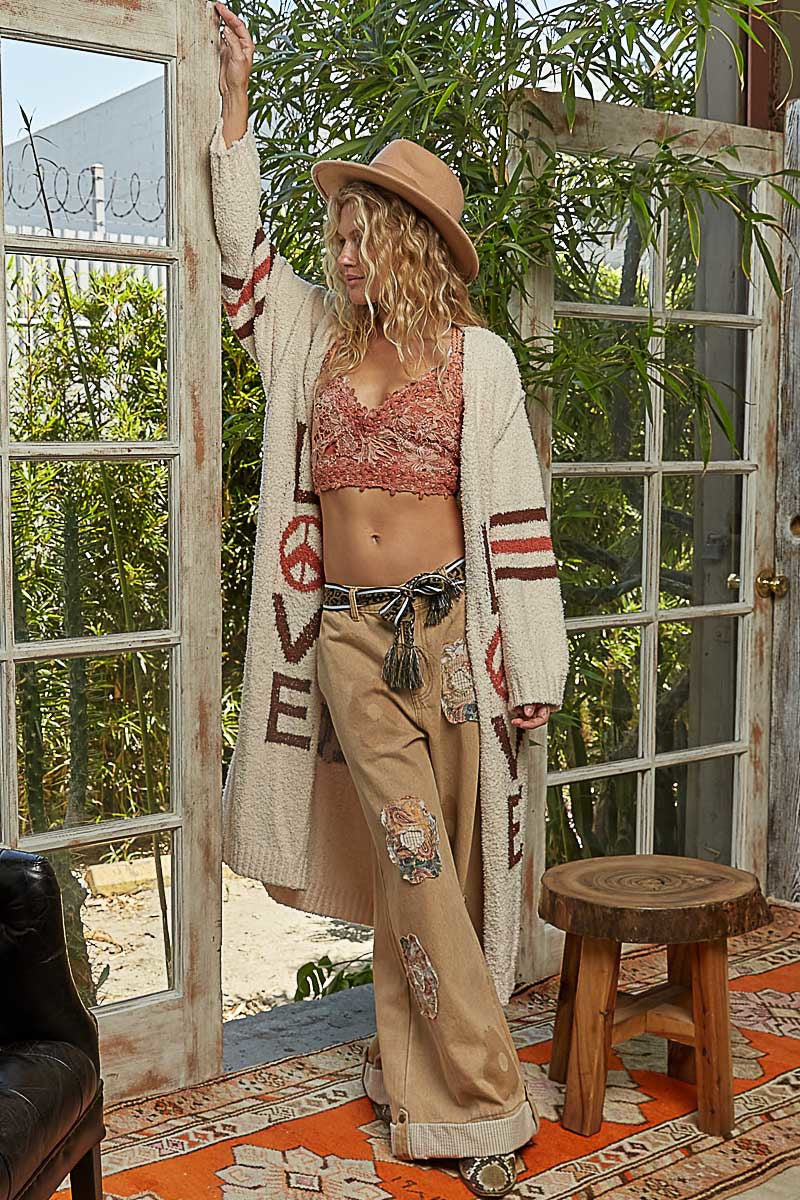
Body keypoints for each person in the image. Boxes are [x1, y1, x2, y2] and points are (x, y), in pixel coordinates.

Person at [211, 4, 569, 1196]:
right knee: (415, 864)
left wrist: (532, 671)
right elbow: (242, 268)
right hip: (355, 650)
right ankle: (487, 1101)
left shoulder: (479, 363)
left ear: (412, 241)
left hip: (457, 636)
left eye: (361, 233)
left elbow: (516, 521)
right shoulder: (310, 334)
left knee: (455, 876)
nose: (343, 250)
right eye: (337, 228)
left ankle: (416, 1084)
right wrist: (234, 110)